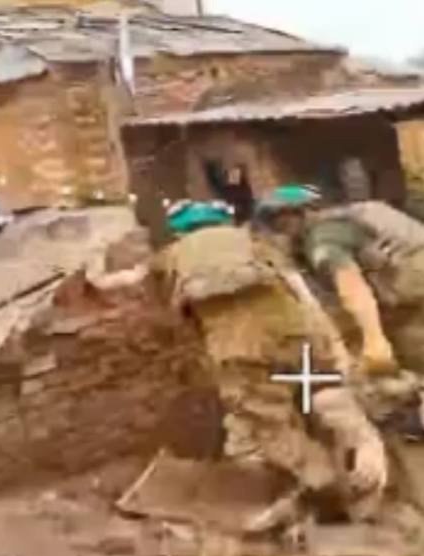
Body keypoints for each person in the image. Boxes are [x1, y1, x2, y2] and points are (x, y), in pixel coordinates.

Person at [161, 200, 388, 521]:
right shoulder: (256, 244)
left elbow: (176, 323)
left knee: (266, 424)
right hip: (297, 333)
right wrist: (332, 345)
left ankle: (324, 485)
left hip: (241, 349)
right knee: (324, 396)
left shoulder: (173, 256)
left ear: (179, 232)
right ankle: (367, 450)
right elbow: (303, 295)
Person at [254, 185, 399, 377]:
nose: (279, 226)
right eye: (274, 221)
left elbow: (352, 289)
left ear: (303, 212)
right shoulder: (312, 241)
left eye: (282, 218)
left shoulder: (323, 239)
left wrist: (375, 342)